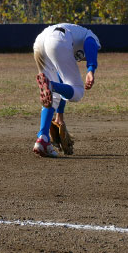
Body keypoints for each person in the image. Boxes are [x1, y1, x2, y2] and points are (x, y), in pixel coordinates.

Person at [32, 23, 101, 158]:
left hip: (40, 41)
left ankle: (42, 139)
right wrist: (91, 69)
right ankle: (51, 85)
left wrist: (60, 116)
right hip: (58, 39)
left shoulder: (73, 38)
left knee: (53, 95)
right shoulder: (89, 34)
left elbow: (62, 82)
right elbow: (91, 43)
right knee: (78, 91)